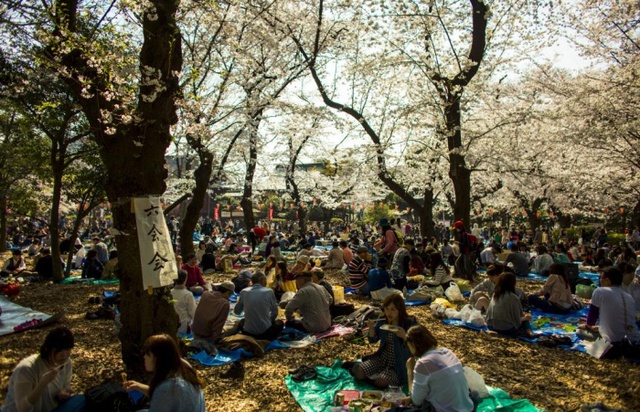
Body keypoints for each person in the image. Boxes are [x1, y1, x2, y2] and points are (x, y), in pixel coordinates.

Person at [2, 327, 86, 412]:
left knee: (82, 399)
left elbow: (66, 387)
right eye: (59, 350)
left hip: (52, 408)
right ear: (48, 348)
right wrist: (43, 383)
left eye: (67, 349)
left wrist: (63, 394)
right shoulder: (26, 368)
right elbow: (22, 409)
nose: (64, 355)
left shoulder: (66, 363)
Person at [347, 294, 417, 389]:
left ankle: (374, 379)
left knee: (381, 382)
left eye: (393, 309)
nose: (389, 313)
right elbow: (373, 340)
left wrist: (405, 337)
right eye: (387, 309)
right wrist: (371, 328)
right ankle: (369, 375)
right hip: (382, 359)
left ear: (400, 310)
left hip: (398, 365)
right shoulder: (383, 321)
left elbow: (417, 348)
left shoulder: (409, 323)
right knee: (358, 372)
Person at [124, 334, 205, 412]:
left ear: (158, 359)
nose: (144, 357)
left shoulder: (168, 388)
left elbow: (163, 395)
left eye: (148, 354)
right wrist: (137, 386)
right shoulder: (185, 369)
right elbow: (163, 396)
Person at [403, 325, 474, 412]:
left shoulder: (423, 363)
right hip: (467, 407)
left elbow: (416, 401)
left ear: (413, 344)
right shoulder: (448, 352)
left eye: (408, 346)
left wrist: (410, 370)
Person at [578, 267, 640, 359]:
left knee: (579, 331)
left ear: (607, 280)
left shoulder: (599, 291)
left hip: (611, 343)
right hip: (633, 340)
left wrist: (587, 326)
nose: (600, 280)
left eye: (601, 278)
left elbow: (591, 320)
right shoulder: (628, 296)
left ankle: (602, 347)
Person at [234, 271, 283, 340]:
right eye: (265, 280)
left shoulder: (244, 292)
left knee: (242, 321)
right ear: (262, 280)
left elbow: (237, 312)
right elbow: (274, 312)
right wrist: (269, 320)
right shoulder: (269, 291)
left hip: (248, 332)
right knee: (280, 323)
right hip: (265, 332)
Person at [190, 281, 235, 355]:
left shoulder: (205, 294)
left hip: (195, 330)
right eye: (230, 295)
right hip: (208, 335)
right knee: (235, 326)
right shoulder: (224, 304)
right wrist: (217, 341)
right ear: (227, 292)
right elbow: (218, 326)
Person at [485, 272, 534, 337]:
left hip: (491, 326)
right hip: (506, 329)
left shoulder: (495, 295)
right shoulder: (513, 298)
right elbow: (517, 320)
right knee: (526, 321)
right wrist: (526, 318)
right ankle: (529, 332)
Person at [171, 270, 196, 334]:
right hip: (184, 324)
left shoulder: (170, 292)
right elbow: (193, 312)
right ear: (185, 279)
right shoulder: (188, 294)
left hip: (172, 324)